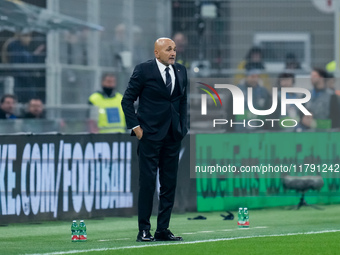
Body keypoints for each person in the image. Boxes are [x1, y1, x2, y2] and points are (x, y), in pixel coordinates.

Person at [121, 38, 188, 242]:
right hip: (149, 135)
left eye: (174, 49)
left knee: (169, 184)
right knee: (148, 183)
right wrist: (136, 128)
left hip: (172, 135)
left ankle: (163, 229)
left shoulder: (181, 71)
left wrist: (183, 127)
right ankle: (144, 230)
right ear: (157, 53)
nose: (173, 53)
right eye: (168, 49)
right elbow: (127, 100)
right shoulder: (144, 70)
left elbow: (182, 101)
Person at [228, 65, 272, 132]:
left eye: (256, 76)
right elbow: (230, 111)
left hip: (259, 131)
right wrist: (230, 129)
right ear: (246, 77)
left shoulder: (264, 92)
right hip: (240, 130)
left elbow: (268, 112)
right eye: (252, 76)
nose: (254, 79)